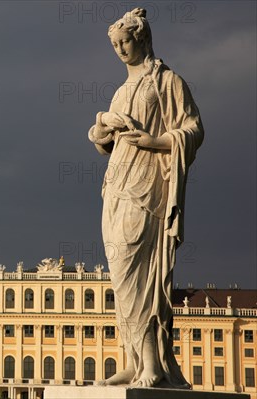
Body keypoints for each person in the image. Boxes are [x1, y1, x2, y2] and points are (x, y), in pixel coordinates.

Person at [88, 8, 203, 388]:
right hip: (116, 187)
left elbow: (193, 128)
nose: (120, 49)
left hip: (149, 186)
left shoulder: (167, 82)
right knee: (121, 277)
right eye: (115, 45)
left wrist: (156, 142)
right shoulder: (121, 90)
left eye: (126, 42)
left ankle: (153, 363)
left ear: (143, 39)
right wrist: (103, 123)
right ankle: (134, 359)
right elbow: (102, 140)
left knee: (143, 275)